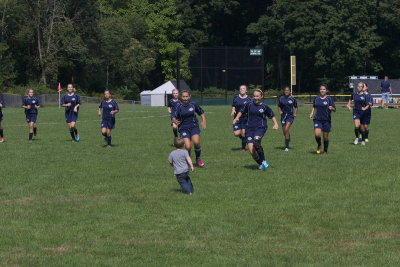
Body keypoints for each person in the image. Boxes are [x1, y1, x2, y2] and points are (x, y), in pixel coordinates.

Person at [233, 89, 279, 170]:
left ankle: (264, 161)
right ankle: (261, 164)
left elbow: (271, 115)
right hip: (249, 128)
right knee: (252, 151)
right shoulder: (249, 104)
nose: (255, 98)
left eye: (257, 96)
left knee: (256, 142)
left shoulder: (264, 106)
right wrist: (236, 118)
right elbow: (241, 111)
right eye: (254, 96)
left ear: (261, 96)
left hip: (260, 128)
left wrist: (275, 124)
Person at [172, 90, 206, 167]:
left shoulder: (193, 104)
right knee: (187, 146)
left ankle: (198, 159)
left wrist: (204, 121)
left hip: (194, 126)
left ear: (189, 96)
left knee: (196, 142)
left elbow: (201, 112)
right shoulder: (178, 106)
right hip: (183, 128)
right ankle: (188, 160)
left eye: (186, 96)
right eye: (183, 96)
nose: (185, 98)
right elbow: (173, 116)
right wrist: (175, 121)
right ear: (181, 97)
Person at [309, 85, 336, 154]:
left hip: (326, 120)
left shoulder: (329, 99)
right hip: (317, 119)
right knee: (317, 134)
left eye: (324, 89)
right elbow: (314, 107)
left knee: (325, 137)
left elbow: (334, 109)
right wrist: (312, 113)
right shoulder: (316, 98)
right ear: (319, 90)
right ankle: (319, 144)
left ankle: (325, 151)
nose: (322, 90)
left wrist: (332, 108)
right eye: (321, 89)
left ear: (326, 90)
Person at [231, 85, 252, 152]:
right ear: (239, 90)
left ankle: (243, 148)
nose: (242, 90)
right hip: (237, 118)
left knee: (243, 133)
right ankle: (245, 138)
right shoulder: (236, 97)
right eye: (241, 89)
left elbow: (251, 108)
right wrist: (233, 110)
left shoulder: (249, 99)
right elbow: (233, 105)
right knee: (236, 133)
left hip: (245, 118)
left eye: (243, 89)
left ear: (246, 90)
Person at [278, 86, 298, 151]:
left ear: (290, 91)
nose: (286, 91)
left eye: (288, 90)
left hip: (290, 116)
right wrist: (280, 111)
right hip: (283, 116)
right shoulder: (281, 98)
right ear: (284, 91)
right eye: (285, 90)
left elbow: (296, 107)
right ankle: (288, 137)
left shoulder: (292, 99)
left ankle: (286, 147)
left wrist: (295, 113)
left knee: (286, 129)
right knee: (284, 131)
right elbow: (279, 106)